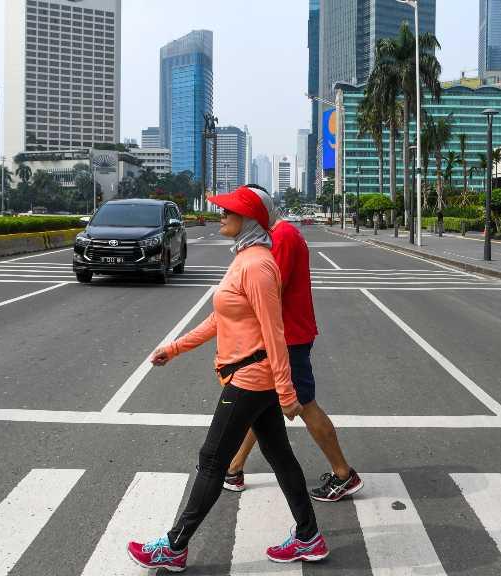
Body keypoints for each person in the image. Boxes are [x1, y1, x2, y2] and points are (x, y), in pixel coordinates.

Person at [127, 186, 329, 572]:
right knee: (279, 455)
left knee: (211, 460)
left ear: (249, 220)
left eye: (228, 212)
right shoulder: (245, 259)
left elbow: (275, 332)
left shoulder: (257, 266)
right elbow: (220, 319)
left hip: (252, 377)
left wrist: (287, 392)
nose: (220, 216)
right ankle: (309, 537)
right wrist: (175, 348)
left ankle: (174, 546)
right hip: (251, 374)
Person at [223, 185, 363, 503]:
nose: (231, 216)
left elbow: (271, 288)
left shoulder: (283, 237)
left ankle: (343, 474)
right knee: (260, 405)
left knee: (304, 404)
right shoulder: (276, 236)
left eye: (239, 211)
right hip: (284, 335)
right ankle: (233, 468)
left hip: (289, 338)